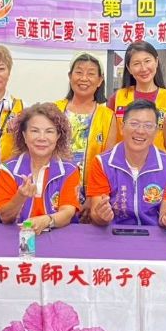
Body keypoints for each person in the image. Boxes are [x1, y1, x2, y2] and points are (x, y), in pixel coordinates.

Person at [87, 100, 166, 227]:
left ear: (156, 131)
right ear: (122, 128)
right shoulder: (102, 163)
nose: (140, 131)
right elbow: (96, 213)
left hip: (152, 233)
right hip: (114, 232)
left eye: (148, 125)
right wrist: (102, 217)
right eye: (134, 124)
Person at [0, 103, 80, 233]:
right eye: (35, 131)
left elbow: (68, 213)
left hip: (60, 238)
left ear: (58, 136)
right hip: (17, 238)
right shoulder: (8, 169)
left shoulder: (70, 170)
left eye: (49, 131)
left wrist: (47, 220)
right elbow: (4, 217)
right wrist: (20, 197)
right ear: (24, 135)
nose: (42, 138)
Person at [54, 53, 117, 221]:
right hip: (55, 191)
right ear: (70, 76)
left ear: (100, 80)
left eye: (91, 73)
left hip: (91, 197)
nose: (84, 78)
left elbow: (108, 162)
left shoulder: (107, 116)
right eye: (79, 72)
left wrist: (92, 197)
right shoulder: (54, 110)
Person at [108, 41, 166, 153]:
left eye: (147, 61)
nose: (143, 68)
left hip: (158, 162)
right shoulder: (117, 98)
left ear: (156, 62)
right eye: (136, 63)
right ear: (129, 68)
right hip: (123, 162)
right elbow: (109, 139)